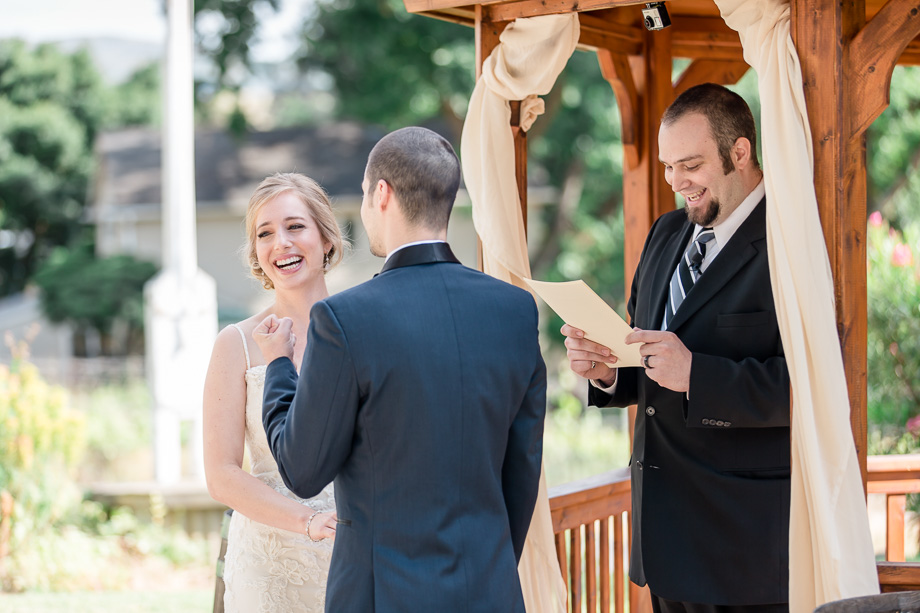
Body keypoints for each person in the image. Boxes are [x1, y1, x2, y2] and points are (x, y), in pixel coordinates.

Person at [253, 126, 547, 612]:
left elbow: (302, 469)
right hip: (489, 590)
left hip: (381, 596)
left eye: (366, 195)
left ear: (382, 194)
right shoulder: (515, 309)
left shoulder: (345, 319)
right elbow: (523, 468)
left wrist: (280, 365)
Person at [563, 83, 791, 613]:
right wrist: (607, 372)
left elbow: (812, 387)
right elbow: (645, 357)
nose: (675, 183)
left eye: (689, 165)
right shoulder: (666, 233)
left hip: (747, 547)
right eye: (667, 167)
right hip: (663, 542)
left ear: (740, 152)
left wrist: (697, 375)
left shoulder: (789, 240)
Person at [202, 173, 345, 613]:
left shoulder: (363, 331)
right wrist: (308, 522)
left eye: (295, 226)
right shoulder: (237, 344)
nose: (280, 242)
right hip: (269, 571)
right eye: (264, 233)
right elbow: (222, 474)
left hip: (355, 556)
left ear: (326, 239)